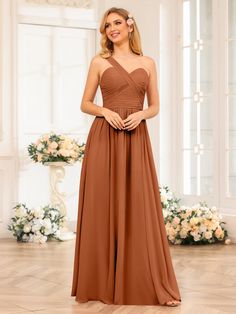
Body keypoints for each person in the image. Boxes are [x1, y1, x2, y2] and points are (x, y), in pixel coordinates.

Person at [71, 7, 181, 307]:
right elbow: (85, 103)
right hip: (104, 139)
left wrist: (141, 115)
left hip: (135, 139)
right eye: (107, 26)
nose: (112, 29)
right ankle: (99, 283)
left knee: (138, 207)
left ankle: (143, 282)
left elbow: (156, 105)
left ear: (130, 26)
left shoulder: (148, 63)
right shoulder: (99, 62)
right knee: (102, 205)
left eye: (117, 23)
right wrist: (105, 111)